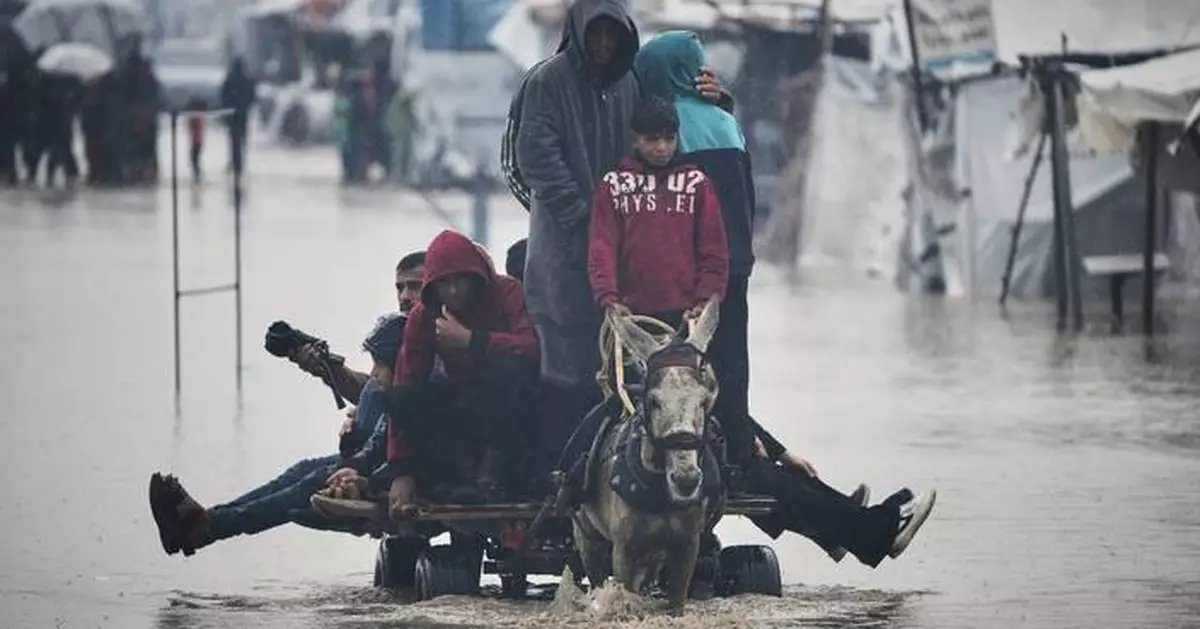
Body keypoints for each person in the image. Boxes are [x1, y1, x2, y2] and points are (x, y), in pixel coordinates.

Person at [513, 0, 729, 469]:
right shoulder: (547, 82)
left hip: (625, 255)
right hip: (562, 248)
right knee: (564, 365)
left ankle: (623, 467)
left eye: (612, 35)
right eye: (596, 34)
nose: (604, 44)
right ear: (578, 33)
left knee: (625, 373)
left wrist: (719, 100)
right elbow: (533, 158)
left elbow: (668, 119)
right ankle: (560, 473)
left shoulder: (631, 81)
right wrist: (585, 214)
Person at [148, 312, 408, 556]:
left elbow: (389, 431)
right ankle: (207, 520)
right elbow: (372, 398)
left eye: (414, 287)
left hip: (378, 465)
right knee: (301, 471)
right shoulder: (403, 344)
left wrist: (361, 470)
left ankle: (207, 527)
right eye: (401, 287)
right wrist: (323, 365)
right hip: (366, 455)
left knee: (306, 485)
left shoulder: (417, 365)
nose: (406, 296)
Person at [382, 230, 540, 510]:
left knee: (509, 370)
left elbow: (530, 347)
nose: (453, 291)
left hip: (509, 413)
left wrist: (472, 340)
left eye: (460, 280)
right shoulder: (424, 316)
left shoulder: (506, 292)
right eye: (445, 283)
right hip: (461, 411)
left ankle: (493, 477)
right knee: (402, 398)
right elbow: (406, 382)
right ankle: (455, 479)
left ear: (476, 278)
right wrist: (401, 472)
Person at [587, 96, 728, 327]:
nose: (662, 148)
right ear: (635, 140)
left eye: (669, 138)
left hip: (687, 316)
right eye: (652, 139)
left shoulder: (697, 184)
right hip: (629, 314)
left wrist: (705, 301)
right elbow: (602, 247)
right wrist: (608, 298)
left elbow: (713, 249)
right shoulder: (613, 186)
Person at [220, 57, 256, 178]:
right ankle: (240, 164)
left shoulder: (230, 79)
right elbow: (252, 97)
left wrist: (227, 109)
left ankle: (235, 163)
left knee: (234, 141)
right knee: (242, 141)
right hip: (242, 115)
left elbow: (223, 96)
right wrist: (245, 107)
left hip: (233, 115)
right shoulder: (247, 79)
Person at [186, 97, 206, 183]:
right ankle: (197, 176)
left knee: (194, 159)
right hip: (197, 141)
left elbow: (193, 127)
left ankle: (197, 176)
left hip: (196, 141)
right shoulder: (199, 116)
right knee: (195, 160)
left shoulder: (196, 116)